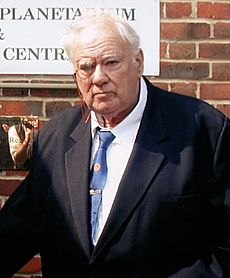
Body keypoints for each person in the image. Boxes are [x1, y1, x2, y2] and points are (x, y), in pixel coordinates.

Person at [0, 12, 230, 278]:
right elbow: (16, 231)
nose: (98, 77)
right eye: (86, 66)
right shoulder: (56, 137)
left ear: (138, 62)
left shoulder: (202, 130)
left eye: (111, 62)